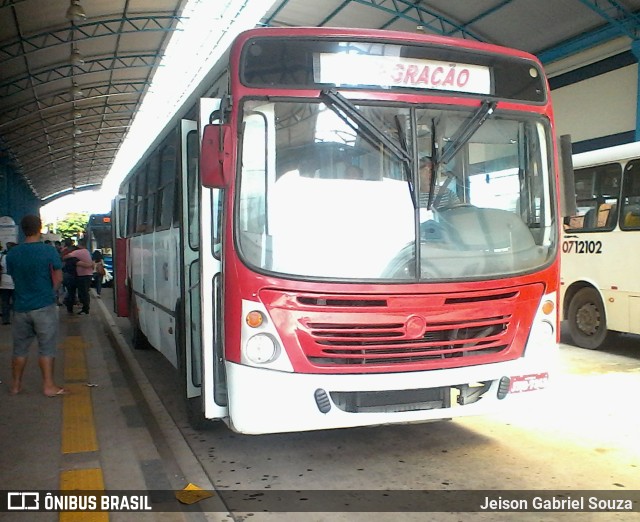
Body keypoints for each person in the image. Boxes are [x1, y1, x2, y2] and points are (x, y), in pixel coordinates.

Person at [5, 214, 66, 397]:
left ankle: (15, 386)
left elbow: (14, 276)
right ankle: (48, 386)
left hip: (20, 306)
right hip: (44, 305)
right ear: (40, 228)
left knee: (20, 349)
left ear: (22, 230)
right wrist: (50, 291)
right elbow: (58, 277)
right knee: (46, 347)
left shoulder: (12, 253)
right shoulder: (48, 251)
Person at [63, 239, 93, 315]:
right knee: (83, 292)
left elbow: (65, 257)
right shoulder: (85, 251)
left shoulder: (75, 255)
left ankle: (71, 309)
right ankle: (85, 308)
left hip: (74, 276)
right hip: (80, 276)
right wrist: (91, 264)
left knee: (72, 293)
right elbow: (85, 264)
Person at [0, 242, 16, 324]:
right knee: (15, 301)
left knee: (4, 301)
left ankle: (5, 319)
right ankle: (16, 318)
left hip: (4, 281)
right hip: (14, 281)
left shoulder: (3, 257)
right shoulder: (16, 257)